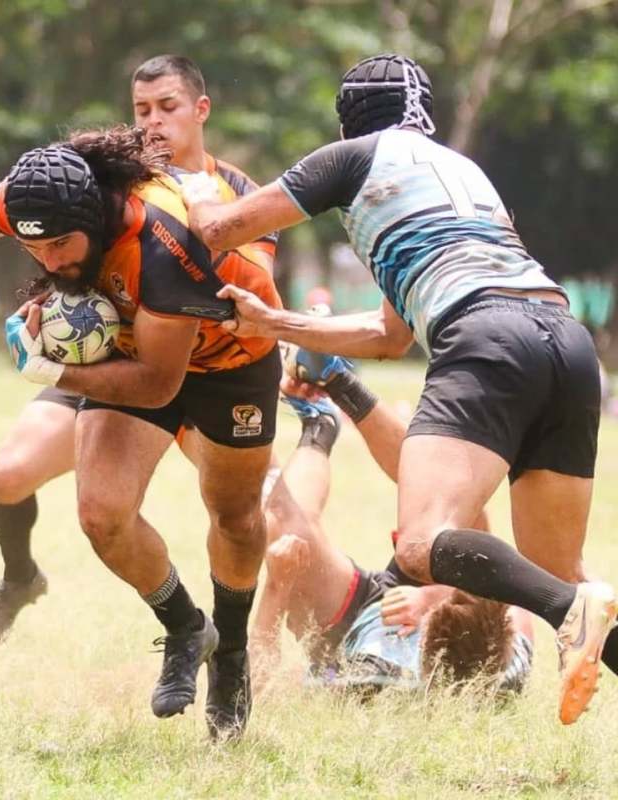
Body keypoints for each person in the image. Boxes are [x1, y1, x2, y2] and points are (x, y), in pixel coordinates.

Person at [183, 53, 616, 725]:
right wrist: (277, 323)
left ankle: (566, 613)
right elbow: (390, 334)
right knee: (556, 566)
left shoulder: (352, 158)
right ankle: (573, 607)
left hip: (487, 337)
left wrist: (190, 178)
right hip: (565, 341)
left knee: (422, 542)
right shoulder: (462, 172)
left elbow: (217, 231)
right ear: (426, 115)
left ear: (350, 120)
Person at [0, 125, 281, 739]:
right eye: (37, 250)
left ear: (95, 217)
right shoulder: (41, 206)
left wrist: (52, 368)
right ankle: (186, 628)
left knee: (235, 518)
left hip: (229, 359)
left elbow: (157, 385)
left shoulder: (161, 244)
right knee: (101, 514)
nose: (51, 262)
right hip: (133, 344)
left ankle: (231, 652)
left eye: (63, 246)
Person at [255, 389, 534, 696]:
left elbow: (261, 689)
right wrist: (431, 596)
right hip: (429, 598)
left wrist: (276, 586)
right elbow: (512, 596)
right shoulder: (504, 667)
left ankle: (318, 424)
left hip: (359, 617)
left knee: (284, 526)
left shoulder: (375, 679)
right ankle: (341, 383)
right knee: (452, 500)